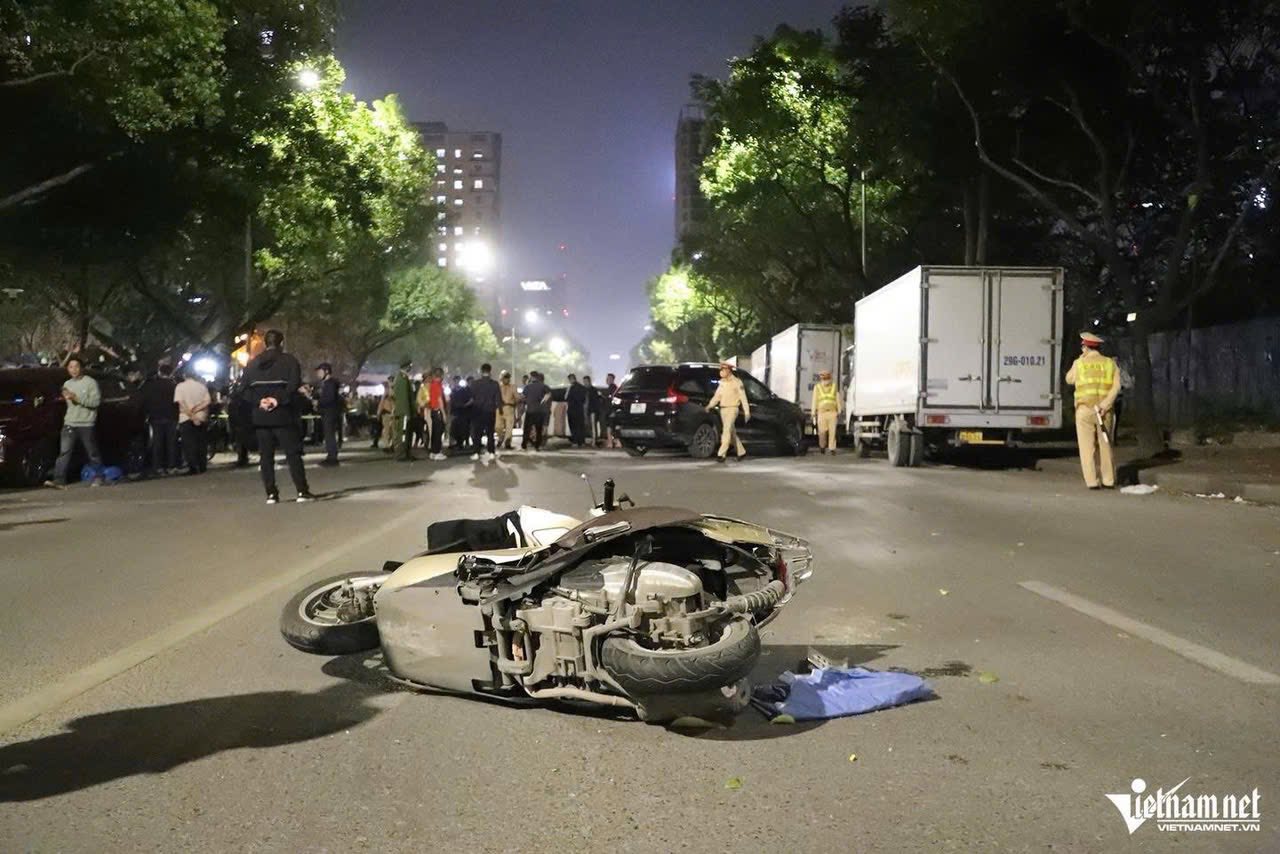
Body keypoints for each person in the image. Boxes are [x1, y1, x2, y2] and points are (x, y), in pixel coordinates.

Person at [241, 329, 314, 503]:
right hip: (283, 415)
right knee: (292, 454)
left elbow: (243, 390)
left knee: (266, 457)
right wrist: (277, 400)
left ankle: (271, 494)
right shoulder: (289, 361)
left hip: (261, 416)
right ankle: (302, 491)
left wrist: (260, 401)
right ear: (281, 343)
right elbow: (293, 385)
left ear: (265, 343)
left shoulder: (252, 364)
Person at [1065, 331, 1121, 489]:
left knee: (1086, 447)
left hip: (1084, 410)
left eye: (1082, 346)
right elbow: (1116, 387)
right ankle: (1108, 480)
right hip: (1104, 411)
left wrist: (1080, 359)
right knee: (1106, 445)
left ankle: (1092, 482)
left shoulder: (1079, 363)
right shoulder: (1110, 363)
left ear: (1085, 347)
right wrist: (1105, 405)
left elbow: (1069, 379)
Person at [46, 354, 104, 487]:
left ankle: (99, 476)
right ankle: (59, 480)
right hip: (70, 423)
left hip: (86, 423)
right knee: (64, 452)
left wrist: (76, 398)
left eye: (76, 366)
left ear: (81, 368)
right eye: (71, 367)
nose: (74, 369)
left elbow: (95, 402)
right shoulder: (67, 384)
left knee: (92, 452)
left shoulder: (90, 383)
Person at [140, 361, 180, 475]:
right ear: (171, 373)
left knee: (157, 443)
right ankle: (171, 466)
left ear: (159, 372)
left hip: (155, 417)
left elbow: (145, 400)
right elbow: (178, 402)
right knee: (171, 442)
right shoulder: (174, 386)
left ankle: (158, 466)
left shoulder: (151, 386)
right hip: (171, 416)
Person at [705, 362, 749, 463]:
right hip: (723, 409)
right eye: (721, 369)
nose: (721, 371)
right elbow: (717, 397)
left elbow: (743, 398)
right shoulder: (722, 383)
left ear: (729, 370)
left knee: (726, 430)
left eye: (723, 369)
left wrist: (747, 412)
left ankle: (721, 454)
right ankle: (741, 452)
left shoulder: (737, 382)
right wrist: (709, 405)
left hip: (732, 409)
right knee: (731, 432)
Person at [174, 368, 212, 474]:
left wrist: (191, 415)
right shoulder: (202, 386)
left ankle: (193, 467)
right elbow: (207, 401)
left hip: (185, 418)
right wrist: (196, 411)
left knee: (189, 443)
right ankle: (202, 465)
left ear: (184, 375)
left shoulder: (180, 387)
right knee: (201, 442)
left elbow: (181, 403)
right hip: (201, 416)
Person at [469, 363, 502, 461]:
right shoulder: (495, 384)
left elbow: (472, 397)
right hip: (490, 411)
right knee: (490, 433)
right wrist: (500, 409)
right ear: (490, 371)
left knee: (477, 433)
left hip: (478, 411)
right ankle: (491, 452)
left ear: (481, 371)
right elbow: (498, 398)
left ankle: (476, 453)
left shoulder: (475, 383)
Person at [315, 363, 341, 466]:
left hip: (330, 412)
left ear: (326, 371)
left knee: (329, 435)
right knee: (328, 435)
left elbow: (329, 398)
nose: (318, 374)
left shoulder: (330, 383)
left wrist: (319, 402)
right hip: (329, 412)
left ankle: (332, 457)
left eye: (320, 371)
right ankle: (331, 455)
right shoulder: (328, 383)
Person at [811, 369, 841, 456]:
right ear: (821, 379)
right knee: (822, 432)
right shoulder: (817, 387)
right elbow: (814, 400)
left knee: (833, 432)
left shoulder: (834, 386)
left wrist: (839, 410)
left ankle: (832, 448)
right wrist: (813, 412)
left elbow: (837, 398)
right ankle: (822, 446)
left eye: (827, 378)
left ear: (829, 378)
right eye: (824, 378)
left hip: (832, 412)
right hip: (822, 413)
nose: (826, 380)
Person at [421, 367, 448, 460]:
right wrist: (444, 413)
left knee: (434, 432)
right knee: (438, 432)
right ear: (441, 375)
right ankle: (437, 451)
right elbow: (439, 399)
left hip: (433, 410)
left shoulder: (431, 385)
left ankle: (433, 452)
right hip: (438, 410)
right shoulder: (438, 385)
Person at [522, 371, 550, 451]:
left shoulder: (528, 387)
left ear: (531, 377)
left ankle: (524, 445)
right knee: (538, 429)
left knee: (527, 428)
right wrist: (543, 401)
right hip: (539, 411)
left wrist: (526, 401)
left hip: (530, 410)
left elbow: (523, 397)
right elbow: (548, 394)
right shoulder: (543, 386)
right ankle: (537, 445)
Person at [392, 360, 414, 461]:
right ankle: (401, 454)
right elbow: (404, 397)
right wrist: (407, 412)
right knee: (403, 433)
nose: (411, 368)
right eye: (410, 366)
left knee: (406, 433)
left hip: (402, 411)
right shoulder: (402, 378)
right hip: (403, 411)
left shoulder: (401, 377)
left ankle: (406, 453)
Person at [497, 370, 519, 450]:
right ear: (501, 378)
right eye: (505, 377)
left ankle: (507, 442)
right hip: (499, 409)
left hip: (509, 408)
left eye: (508, 377)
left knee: (509, 427)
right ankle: (500, 438)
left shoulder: (513, 387)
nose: (507, 379)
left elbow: (517, 398)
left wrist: (515, 404)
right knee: (497, 427)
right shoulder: (498, 387)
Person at [450, 375, 473, 450]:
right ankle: (456, 443)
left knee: (463, 428)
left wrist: (465, 405)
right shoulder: (452, 390)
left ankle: (462, 442)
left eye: (458, 381)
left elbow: (470, 399)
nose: (456, 382)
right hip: (455, 412)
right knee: (454, 429)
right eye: (455, 381)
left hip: (463, 412)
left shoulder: (463, 390)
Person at [566, 373, 587, 447]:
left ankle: (575, 441)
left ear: (571, 379)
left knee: (573, 426)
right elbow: (584, 399)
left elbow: (567, 398)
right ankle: (582, 442)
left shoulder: (571, 388)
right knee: (580, 426)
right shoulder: (582, 387)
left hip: (572, 409)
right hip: (580, 410)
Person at [599, 372, 618, 448]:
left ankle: (611, 442)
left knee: (610, 427)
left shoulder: (613, 388)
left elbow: (611, 398)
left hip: (611, 410)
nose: (607, 380)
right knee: (610, 426)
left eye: (609, 378)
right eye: (607, 378)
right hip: (609, 410)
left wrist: (602, 395)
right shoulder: (611, 387)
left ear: (612, 379)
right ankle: (614, 442)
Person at [375, 381, 394, 450]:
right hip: (389, 412)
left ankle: (388, 445)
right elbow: (382, 404)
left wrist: (378, 413)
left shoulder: (387, 393)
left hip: (388, 412)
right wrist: (378, 413)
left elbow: (381, 404)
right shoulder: (388, 393)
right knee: (389, 430)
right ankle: (388, 445)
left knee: (388, 430)